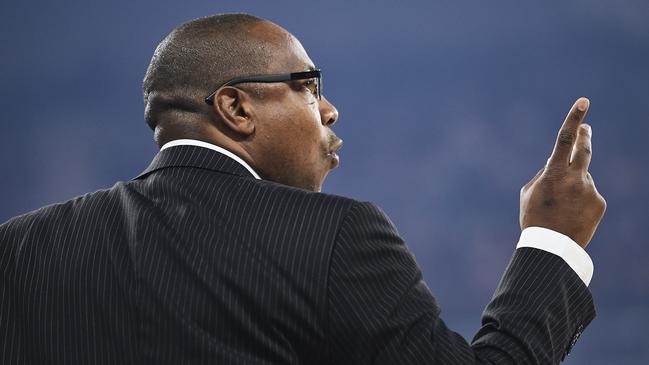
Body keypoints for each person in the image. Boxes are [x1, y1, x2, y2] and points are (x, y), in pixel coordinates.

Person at [0, 13, 606, 364]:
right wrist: (553, 241)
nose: (331, 111)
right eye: (309, 87)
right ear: (236, 107)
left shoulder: (19, 248)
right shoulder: (336, 236)